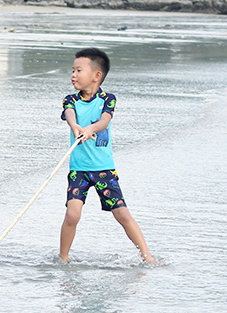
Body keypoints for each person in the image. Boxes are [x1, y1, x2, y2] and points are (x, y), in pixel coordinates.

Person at [59, 48, 155, 264]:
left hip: (104, 170)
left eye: (78, 70)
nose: (73, 75)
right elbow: (69, 114)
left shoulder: (107, 99)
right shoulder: (70, 100)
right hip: (79, 171)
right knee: (72, 215)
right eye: (72, 70)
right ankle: (63, 258)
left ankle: (147, 256)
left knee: (121, 214)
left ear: (96, 75)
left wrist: (90, 129)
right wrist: (75, 127)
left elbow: (104, 121)